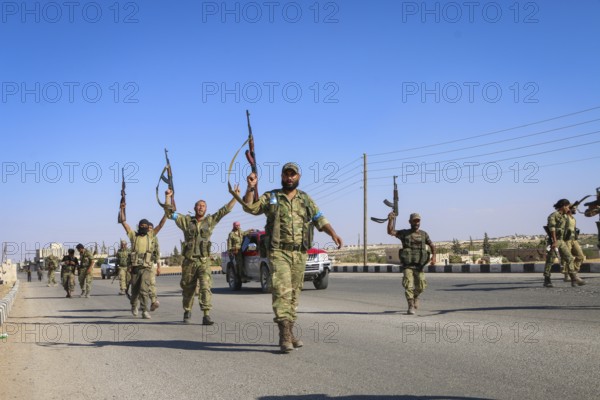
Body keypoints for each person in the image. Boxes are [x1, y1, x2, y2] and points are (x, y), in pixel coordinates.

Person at [238, 162, 343, 353]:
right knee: (282, 291)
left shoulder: (305, 199)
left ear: (298, 177)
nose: (289, 178)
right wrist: (251, 187)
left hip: (300, 253)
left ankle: (291, 331)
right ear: (281, 176)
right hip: (279, 252)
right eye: (286, 174)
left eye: (292, 175)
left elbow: (320, 218)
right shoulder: (272, 197)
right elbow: (250, 207)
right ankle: (284, 335)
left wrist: (333, 233)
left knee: (294, 294)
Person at [164, 186, 239, 325]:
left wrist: (235, 196)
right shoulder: (186, 221)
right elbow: (170, 213)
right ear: (194, 208)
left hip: (204, 261)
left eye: (203, 206)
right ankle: (187, 310)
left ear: (206, 209)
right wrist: (168, 196)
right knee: (188, 288)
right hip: (189, 262)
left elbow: (225, 211)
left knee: (205, 287)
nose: (200, 208)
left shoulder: (210, 221)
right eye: (198, 205)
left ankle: (206, 314)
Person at [387, 212, 436, 315]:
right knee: (408, 285)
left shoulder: (424, 234)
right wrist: (390, 220)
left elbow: (432, 245)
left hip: (419, 265)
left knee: (421, 286)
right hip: (408, 265)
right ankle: (410, 306)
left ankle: (415, 297)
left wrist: (434, 257)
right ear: (410, 222)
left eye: (418, 221)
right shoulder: (404, 233)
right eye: (414, 221)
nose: (416, 223)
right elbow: (390, 231)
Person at [119, 204, 158, 320]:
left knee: (144, 290)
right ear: (139, 226)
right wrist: (122, 209)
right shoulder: (133, 236)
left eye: (145, 226)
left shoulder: (150, 236)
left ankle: (145, 311)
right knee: (135, 291)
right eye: (142, 225)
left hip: (146, 268)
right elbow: (123, 223)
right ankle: (133, 306)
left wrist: (166, 214)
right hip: (135, 268)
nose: (144, 227)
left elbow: (160, 225)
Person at [543, 199, 585, 287]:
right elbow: (552, 229)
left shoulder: (564, 215)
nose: (568, 208)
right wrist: (554, 241)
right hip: (554, 241)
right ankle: (547, 279)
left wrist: (577, 203)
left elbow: (572, 209)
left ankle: (573, 279)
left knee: (569, 258)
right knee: (550, 260)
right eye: (567, 206)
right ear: (563, 206)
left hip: (561, 241)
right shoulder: (553, 216)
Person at [562, 205, 586, 284]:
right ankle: (567, 275)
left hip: (573, 240)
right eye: (574, 208)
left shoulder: (573, 218)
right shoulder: (565, 217)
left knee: (580, 256)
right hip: (566, 240)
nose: (576, 210)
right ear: (570, 209)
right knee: (568, 258)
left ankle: (573, 272)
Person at [148, 217, 167, 312]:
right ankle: (139, 302)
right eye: (148, 228)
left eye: (151, 228)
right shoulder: (140, 237)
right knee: (140, 286)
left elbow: (157, 252)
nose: (150, 229)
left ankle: (153, 301)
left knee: (152, 283)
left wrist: (159, 267)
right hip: (139, 265)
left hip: (150, 264)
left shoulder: (155, 239)